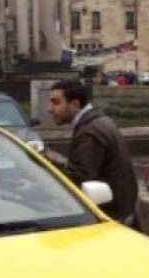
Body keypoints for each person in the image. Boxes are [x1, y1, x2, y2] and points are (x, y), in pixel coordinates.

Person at [47, 79, 138, 225]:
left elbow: (78, 180)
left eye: (55, 102)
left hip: (109, 219)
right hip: (122, 212)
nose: (50, 109)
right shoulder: (98, 122)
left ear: (75, 105)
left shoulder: (89, 133)